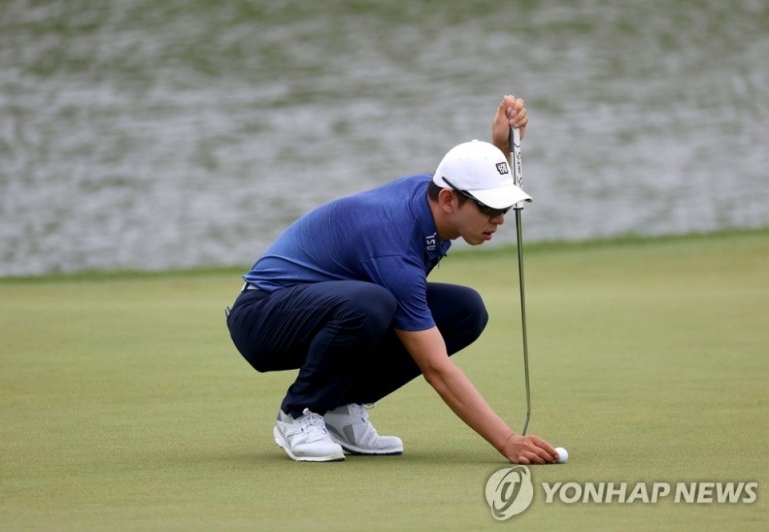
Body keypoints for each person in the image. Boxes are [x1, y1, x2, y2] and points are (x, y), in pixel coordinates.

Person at [226, 94, 559, 464]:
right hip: (262, 318)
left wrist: (499, 148)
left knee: (464, 311)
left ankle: (340, 408)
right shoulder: (393, 249)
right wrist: (508, 441)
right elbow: (435, 367)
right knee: (373, 304)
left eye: (502, 207)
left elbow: (472, 186)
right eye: (489, 209)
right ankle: (298, 414)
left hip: (324, 306)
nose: (499, 219)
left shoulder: (434, 200)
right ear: (449, 201)